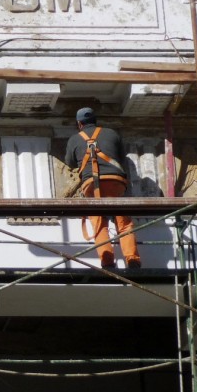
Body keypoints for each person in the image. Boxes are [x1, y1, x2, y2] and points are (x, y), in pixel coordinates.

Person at [64, 107, 141, 270]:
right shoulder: (111, 133)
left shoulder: (74, 139)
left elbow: (69, 162)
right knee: (124, 222)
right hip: (115, 181)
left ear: (79, 124)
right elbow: (121, 156)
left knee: (99, 223)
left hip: (91, 184)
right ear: (95, 120)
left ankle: (107, 260)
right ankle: (132, 259)